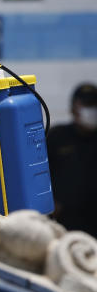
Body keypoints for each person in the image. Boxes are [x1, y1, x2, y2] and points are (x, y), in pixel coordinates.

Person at [46, 82, 97, 238]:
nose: (91, 110)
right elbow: (37, 173)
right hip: (64, 224)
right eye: (86, 104)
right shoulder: (56, 136)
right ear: (73, 108)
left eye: (94, 105)